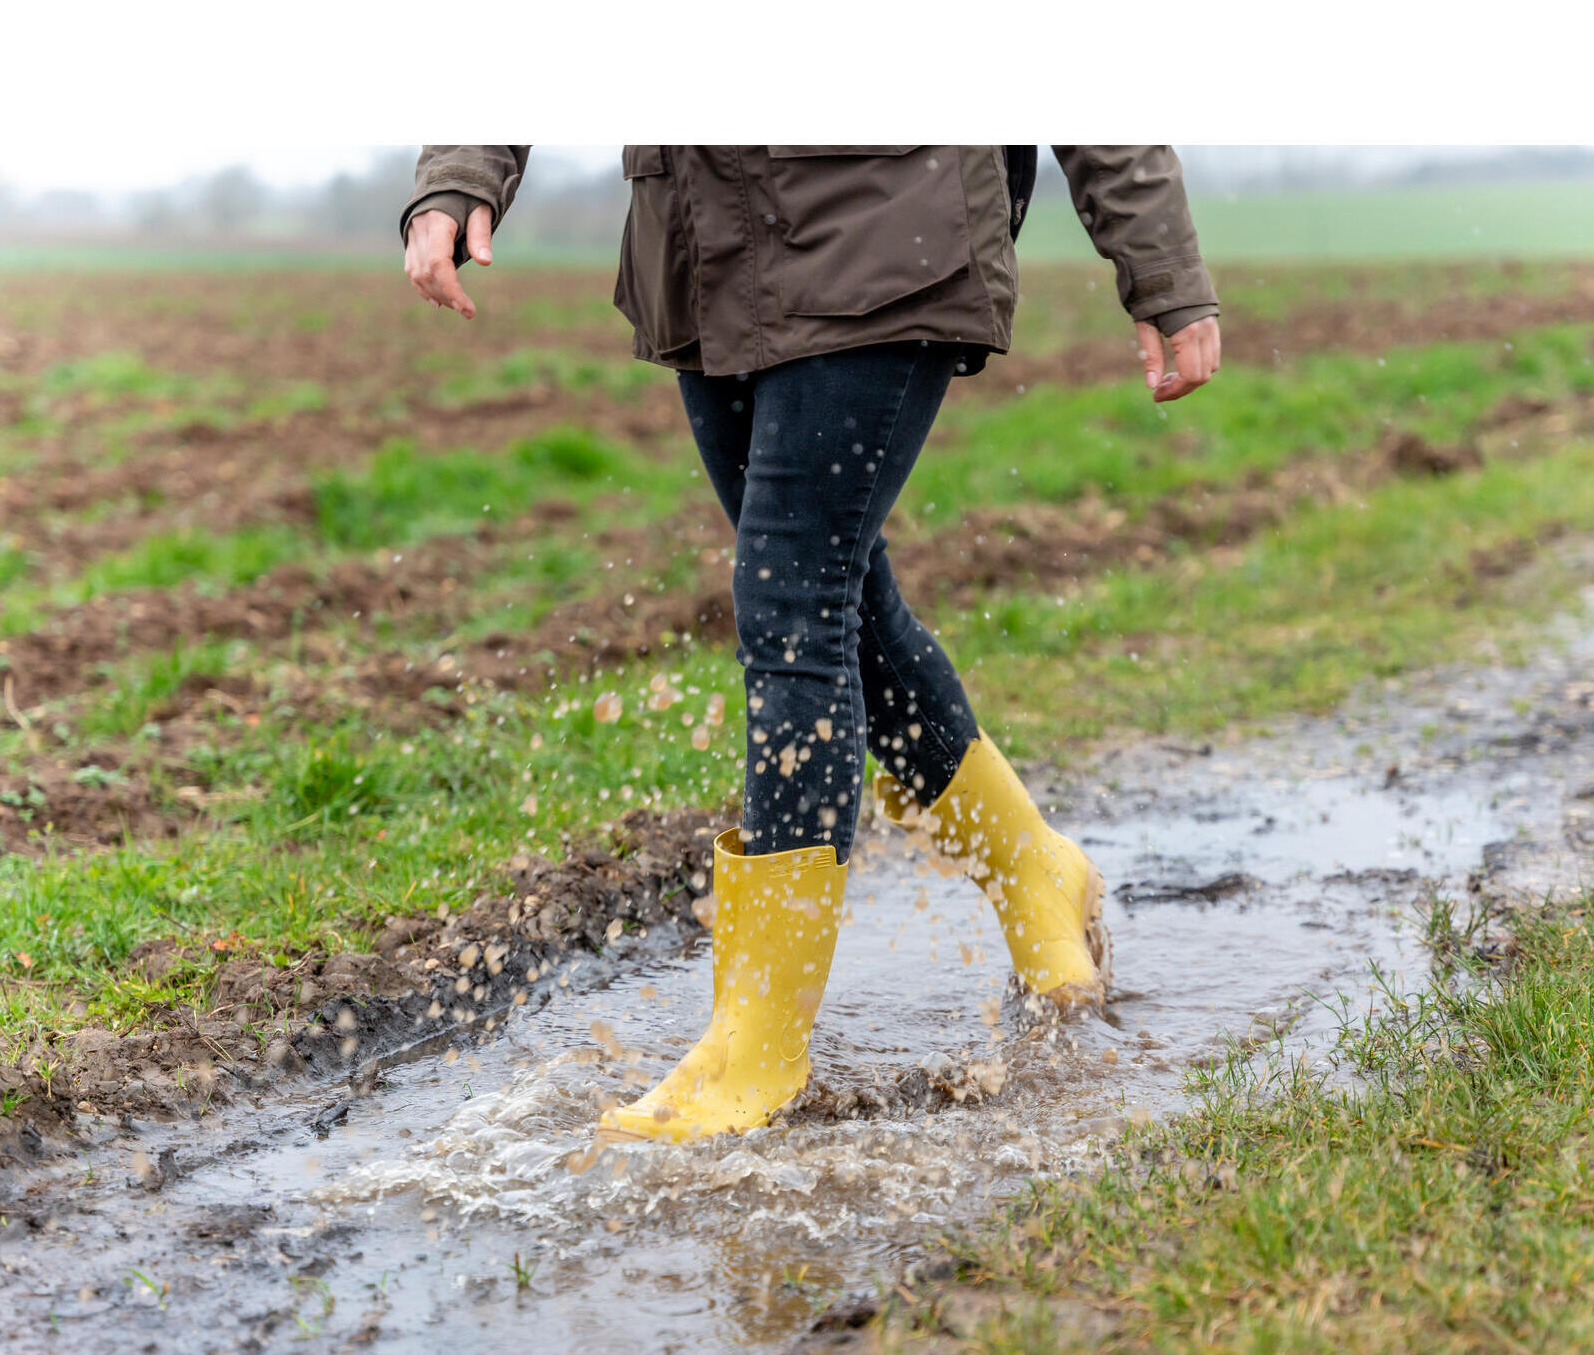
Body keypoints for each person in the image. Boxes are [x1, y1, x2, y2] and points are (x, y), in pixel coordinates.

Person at [403, 146, 1219, 1141]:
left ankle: (757, 1034)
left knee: (790, 598)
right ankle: (1032, 866)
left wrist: (1162, 270)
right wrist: (459, 175)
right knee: (840, 598)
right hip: (704, 243)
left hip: (885, 225)